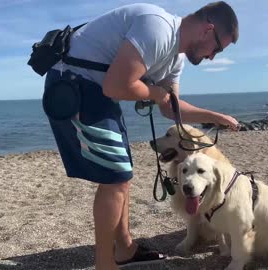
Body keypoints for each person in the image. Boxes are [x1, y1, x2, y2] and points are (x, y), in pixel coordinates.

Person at [43, 2, 239, 269]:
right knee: (115, 179)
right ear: (208, 29)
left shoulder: (175, 58)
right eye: (217, 48)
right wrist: (155, 93)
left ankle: (124, 249)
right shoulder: (157, 28)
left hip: (98, 91)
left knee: (122, 175)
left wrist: (215, 117)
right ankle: (105, 264)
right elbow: (117, 85)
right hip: (73, 84)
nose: (213, 56)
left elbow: (171, 108)